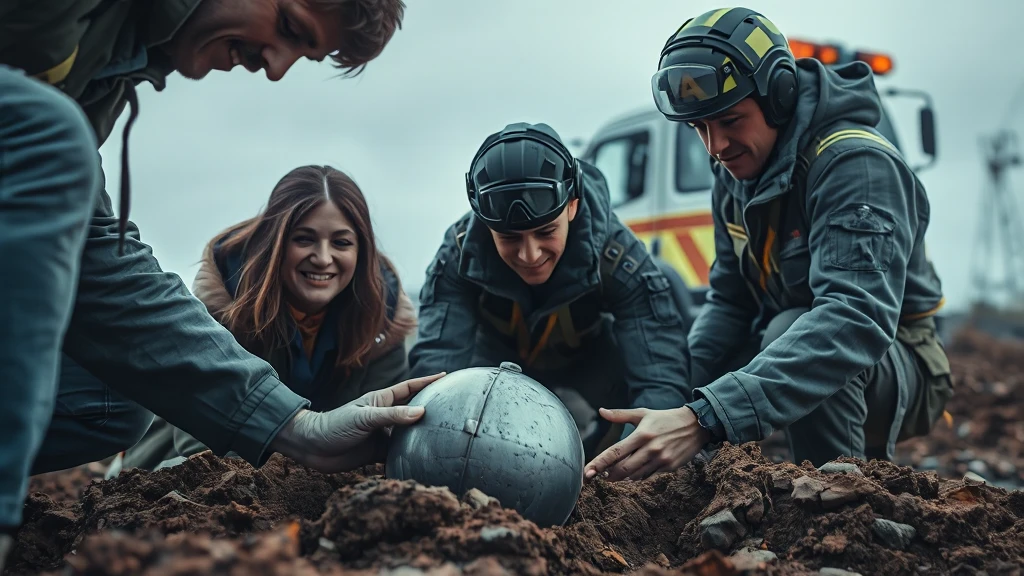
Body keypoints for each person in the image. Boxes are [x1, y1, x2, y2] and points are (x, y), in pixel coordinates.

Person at [0, 0, 443, 566]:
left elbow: (97, 261)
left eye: (301, 55)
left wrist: (300, 428)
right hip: (179, 466)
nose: (276, 68)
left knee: (109, 404)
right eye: (288, 28)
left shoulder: (104, 68)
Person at [584, 7, 952, 481]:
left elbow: (853, 319)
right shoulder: (733, 174)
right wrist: (671, 396)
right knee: (672, 362)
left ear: (778, 96)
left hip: (900, 364)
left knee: (790, 329)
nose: (715, 146)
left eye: (731, 121)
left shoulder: (855, 164)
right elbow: (729, 306)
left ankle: (841, 506)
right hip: (800, 339)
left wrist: (703, 419)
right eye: (699, 129)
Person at [407, 122, 690, 458]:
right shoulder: (459, 254)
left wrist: (640, 462)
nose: (530, 255)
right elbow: (437, 373)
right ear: (485, 223)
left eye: (546, 232)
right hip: (491, 365)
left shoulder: (618, 256)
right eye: (510, 237)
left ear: (572, 205)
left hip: (587, 358)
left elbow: (658, 383)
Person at [119, 165, 418, 470]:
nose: (323, 257)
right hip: (184, 464)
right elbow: (199, 445)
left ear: (362, 250)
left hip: (327, 481)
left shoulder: (383, 319)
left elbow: (383, 439)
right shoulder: (224, 305)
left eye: (341, 243)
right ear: (275, 243)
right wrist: (307, 453)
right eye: (304, 239)